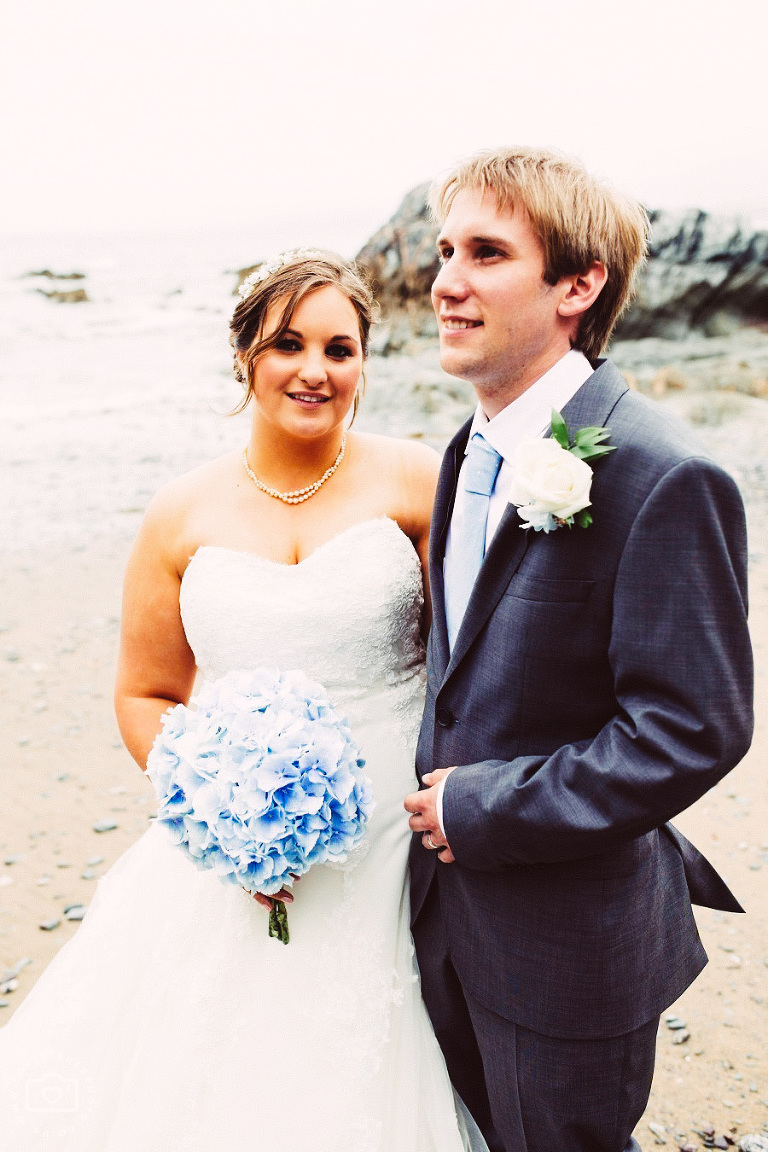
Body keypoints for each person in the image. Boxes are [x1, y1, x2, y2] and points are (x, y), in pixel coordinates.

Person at [0, 249, 488, 1151]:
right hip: (238, 841)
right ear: (243, 356)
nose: (314, 371)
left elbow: (477, 663)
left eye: (339, 349)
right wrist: (222, 808)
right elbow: (145, 692)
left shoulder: (419, 479)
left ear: (364, 361)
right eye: (287, 345)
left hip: (398, 830)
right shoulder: (178, 513)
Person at [404, 147, 754, 1152]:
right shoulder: (466, 449)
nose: (445, 281)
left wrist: (484, 807)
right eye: (444, 251)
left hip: (564, 952)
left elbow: (693, 729)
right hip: (441, 918)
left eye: (486, 254)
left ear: (578, 285)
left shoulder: (663, 472)